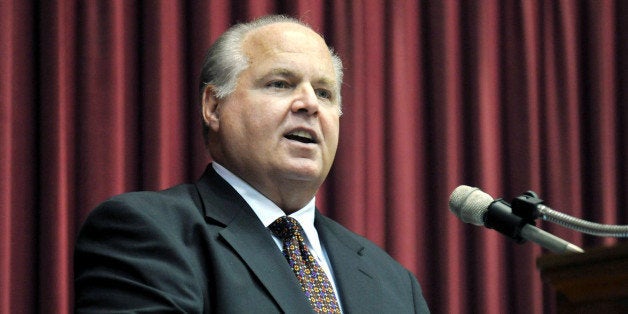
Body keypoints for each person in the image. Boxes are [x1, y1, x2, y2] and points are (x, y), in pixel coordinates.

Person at [74, 15, 430, 313]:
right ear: (214, 106)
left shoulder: (394, 282)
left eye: (324, 92)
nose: (309, 104)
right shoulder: (146, 232)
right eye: (280, 84)